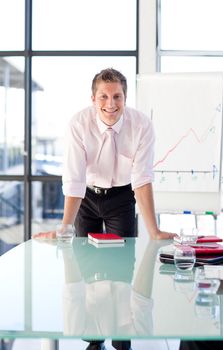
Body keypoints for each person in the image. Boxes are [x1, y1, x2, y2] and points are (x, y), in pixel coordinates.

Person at [34, 67, 176, 350]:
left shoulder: (141, 125)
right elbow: (74, 180)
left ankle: (122, 340)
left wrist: (154, 230)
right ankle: (94, 339)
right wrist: (65, 227)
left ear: (125, 97)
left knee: (121, 266)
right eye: (104, 97)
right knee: (86, 267)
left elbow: (142, 179)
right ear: (93, 98)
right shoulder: (78, 124)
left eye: (117, 97)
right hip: (86, 195)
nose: (111, 104)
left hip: (121, 197)